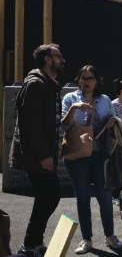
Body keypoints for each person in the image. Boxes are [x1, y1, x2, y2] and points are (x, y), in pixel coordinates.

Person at [61, 65, 122, 253]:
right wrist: (74, 108)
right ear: (78, 80)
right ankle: (86, 239)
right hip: (77, 154)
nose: (86, 81)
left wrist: (112, 122)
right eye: (83, 78)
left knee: (105, 197)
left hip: (101, 155)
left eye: (90, 78)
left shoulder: (104, 100)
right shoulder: (70, 98)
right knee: (83, 197)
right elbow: (64, 125)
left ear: (97, 81)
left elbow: (113, 123)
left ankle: (110, 236)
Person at [10, 44, 64, 256]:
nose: (63, 59)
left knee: (47, 195)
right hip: (37, 154)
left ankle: (33, 242)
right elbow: (31, 124)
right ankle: (30, 244)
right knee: (50, 195)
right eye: (59, 56)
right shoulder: (36, 84)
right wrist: (43, 154)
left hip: (42, 153)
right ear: (47, 59)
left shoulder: (47, 84)